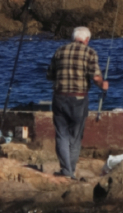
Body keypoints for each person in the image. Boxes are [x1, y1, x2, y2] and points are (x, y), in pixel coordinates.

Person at [45, 25, 107, 178]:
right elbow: (96, 77)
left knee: (61, 135)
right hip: (79, 98)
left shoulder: (59, 51)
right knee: (75, 136)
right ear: (86, 40)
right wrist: (103, 85)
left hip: (59, 97)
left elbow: (49, 75)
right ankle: (69, 171)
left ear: (73, 38)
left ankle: (66, 171)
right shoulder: (90, 52)